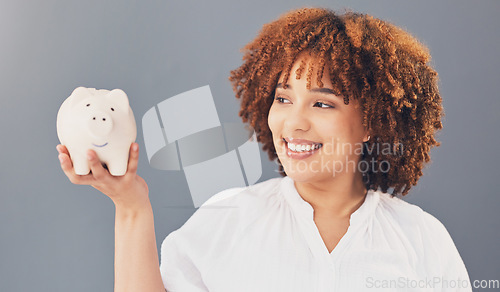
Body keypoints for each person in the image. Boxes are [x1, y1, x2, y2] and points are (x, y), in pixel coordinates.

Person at [57, 7, 472, 292]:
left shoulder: (421, 239)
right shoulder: (230, 220)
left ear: (369, 122)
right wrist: (132, 207)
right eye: (283, 98)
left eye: (322, 103)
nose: (293, 122)